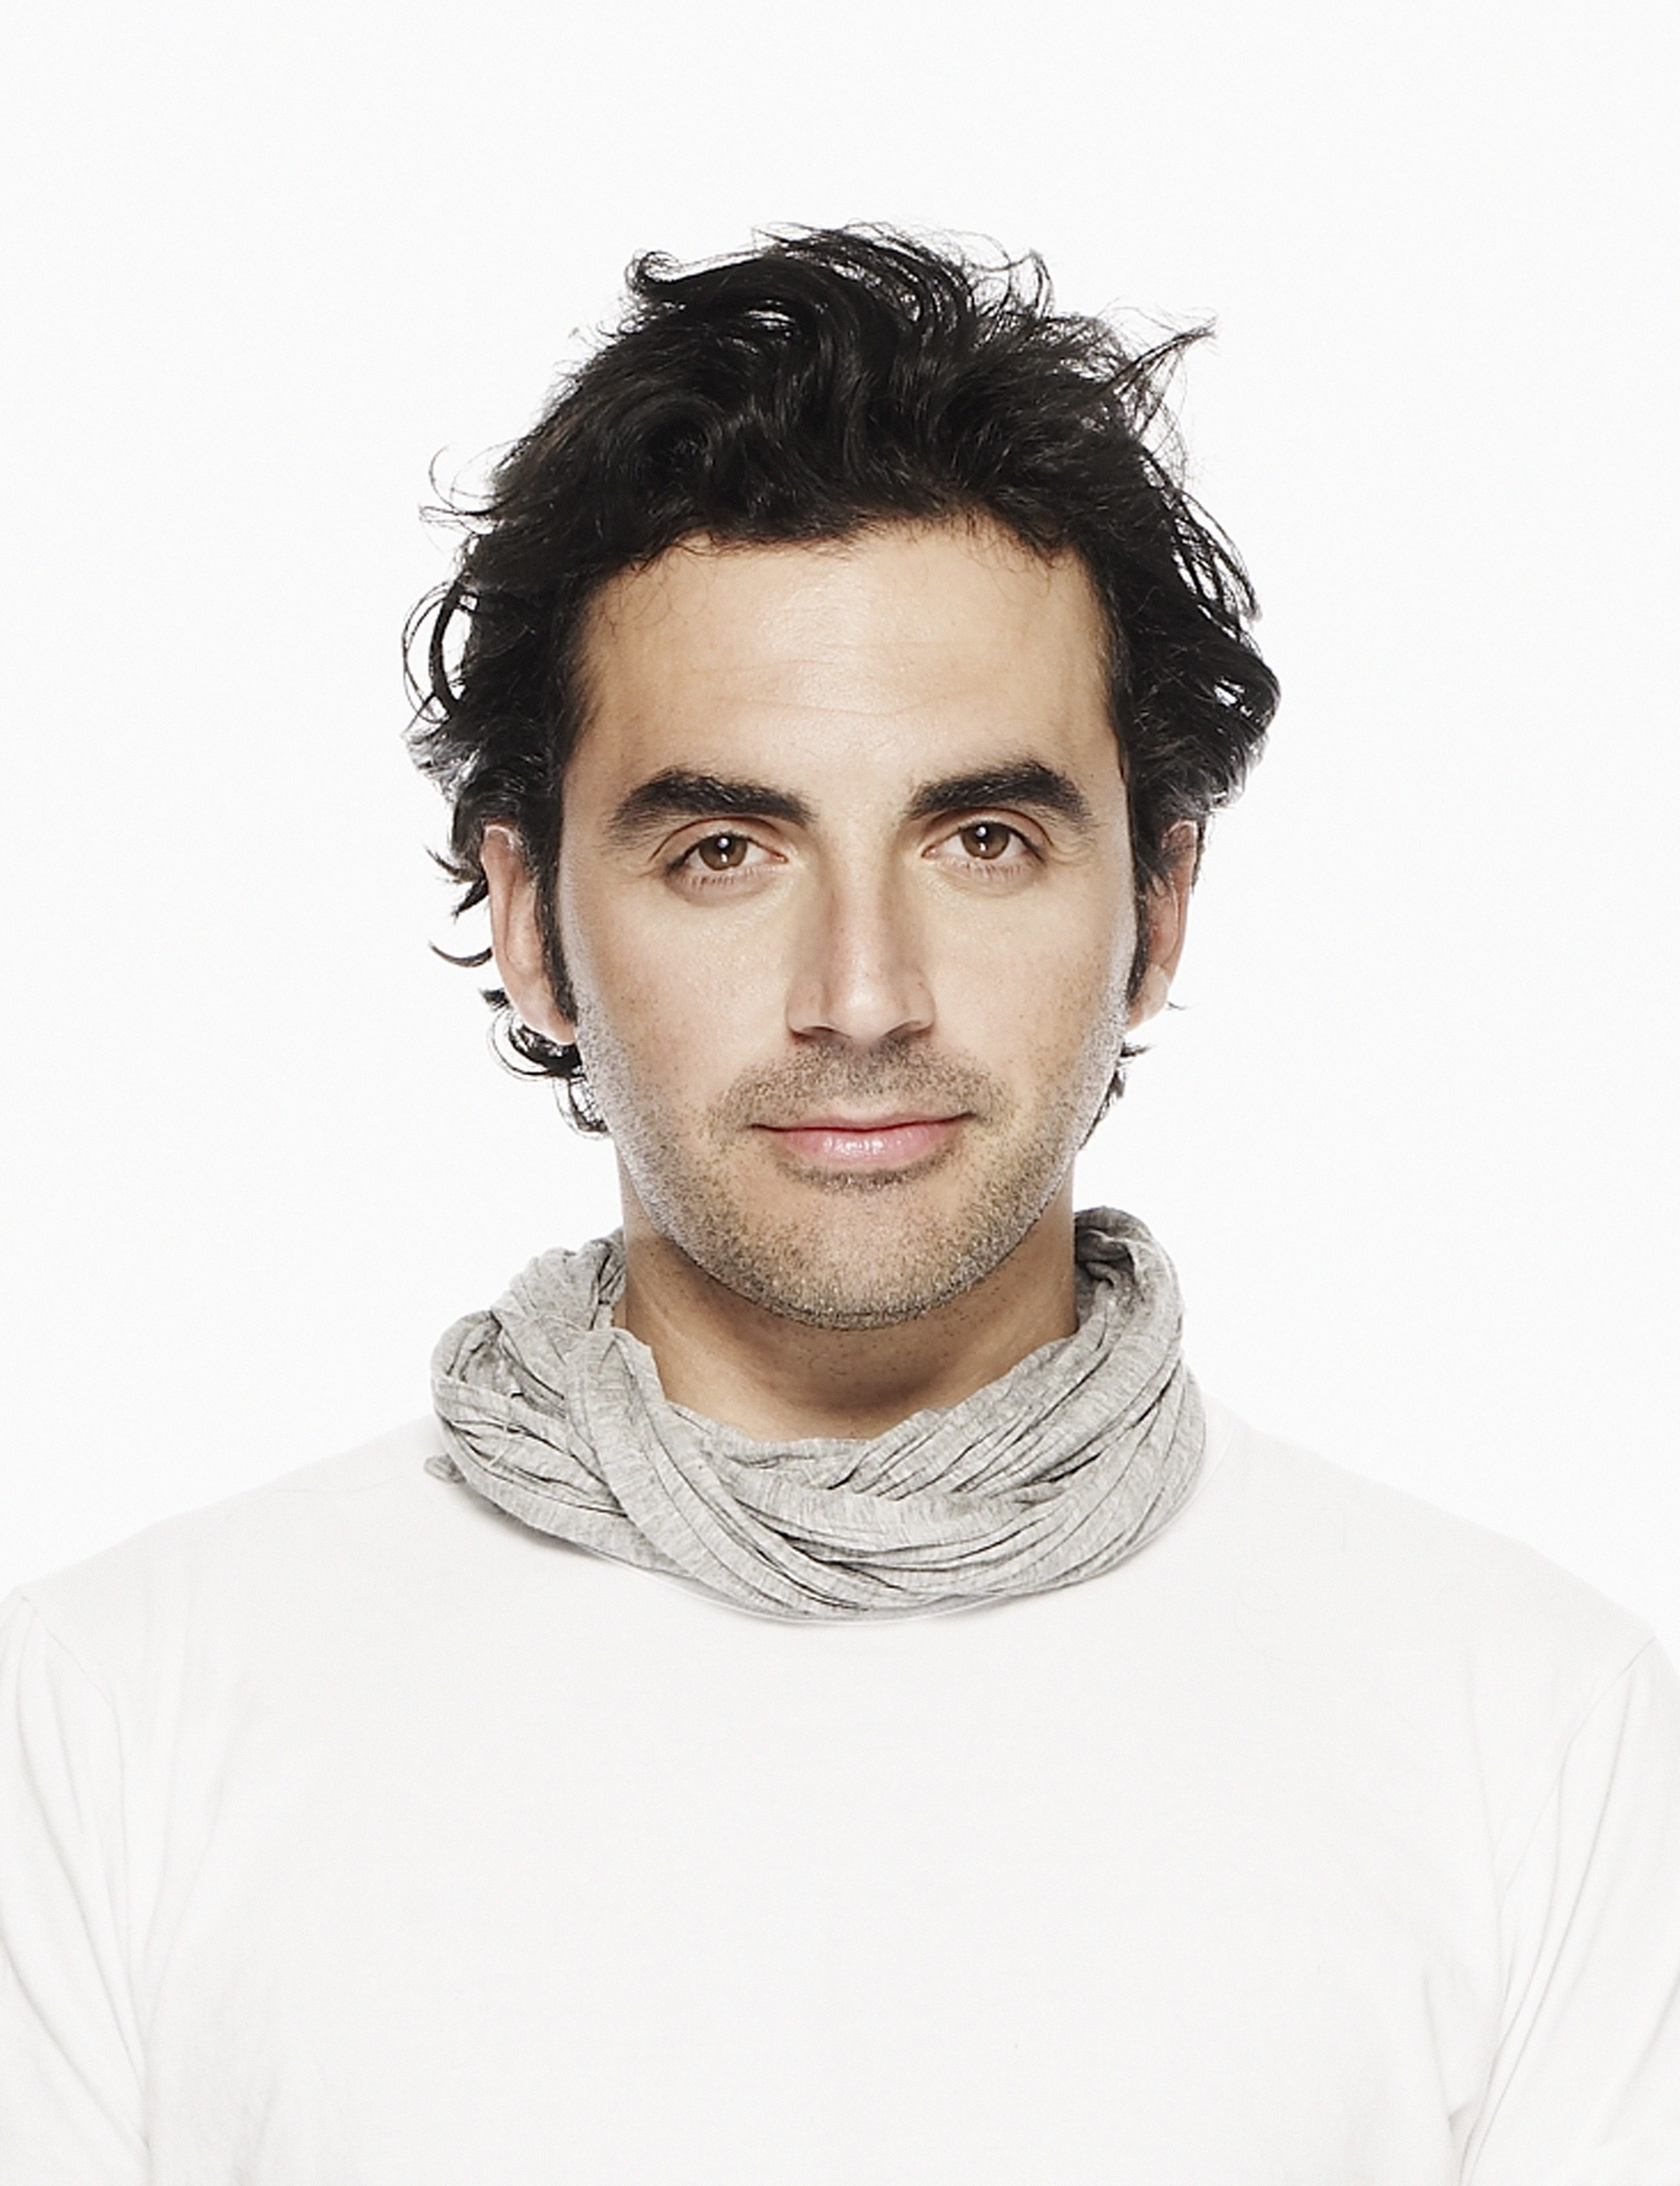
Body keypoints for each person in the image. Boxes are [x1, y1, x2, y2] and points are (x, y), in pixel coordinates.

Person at [3, 230, 1676, 2184]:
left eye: (984, 837)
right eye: (726, 847)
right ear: (534, 922)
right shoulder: (110, 1720)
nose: (864, 993)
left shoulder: (1539, 1736)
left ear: (1158, 908)